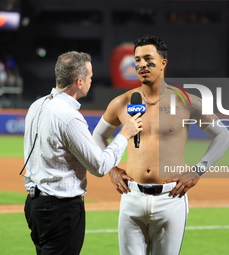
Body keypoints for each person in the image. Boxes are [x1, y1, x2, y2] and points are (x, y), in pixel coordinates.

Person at [93, 35, 229, 255]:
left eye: (148, 58)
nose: (141, 65)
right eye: (137, 59)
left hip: (171, 198)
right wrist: (112, 169)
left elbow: (223, 136)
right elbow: (98, 135)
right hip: (131, 196)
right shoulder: (122, 102)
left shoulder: (187, 101)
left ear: (163, 63)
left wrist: (197, 171)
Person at [22, 51, 142, 255]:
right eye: (90, 77)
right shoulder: (69, 117)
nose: (91, 81)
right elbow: (100, 166)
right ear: (79, 81)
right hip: (61, 209)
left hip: (35, 205)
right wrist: (125, 134)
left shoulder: (37, 105)